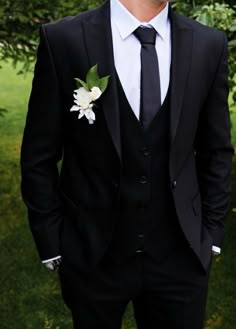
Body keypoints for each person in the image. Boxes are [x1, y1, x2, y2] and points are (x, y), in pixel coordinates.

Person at [20, 0, 234, 328]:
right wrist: (53, 241)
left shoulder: (208, 44)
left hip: (181, 258)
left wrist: (212, 235)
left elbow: (216, 150)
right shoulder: (64, 39)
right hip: (92, 254)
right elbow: (39, 154)